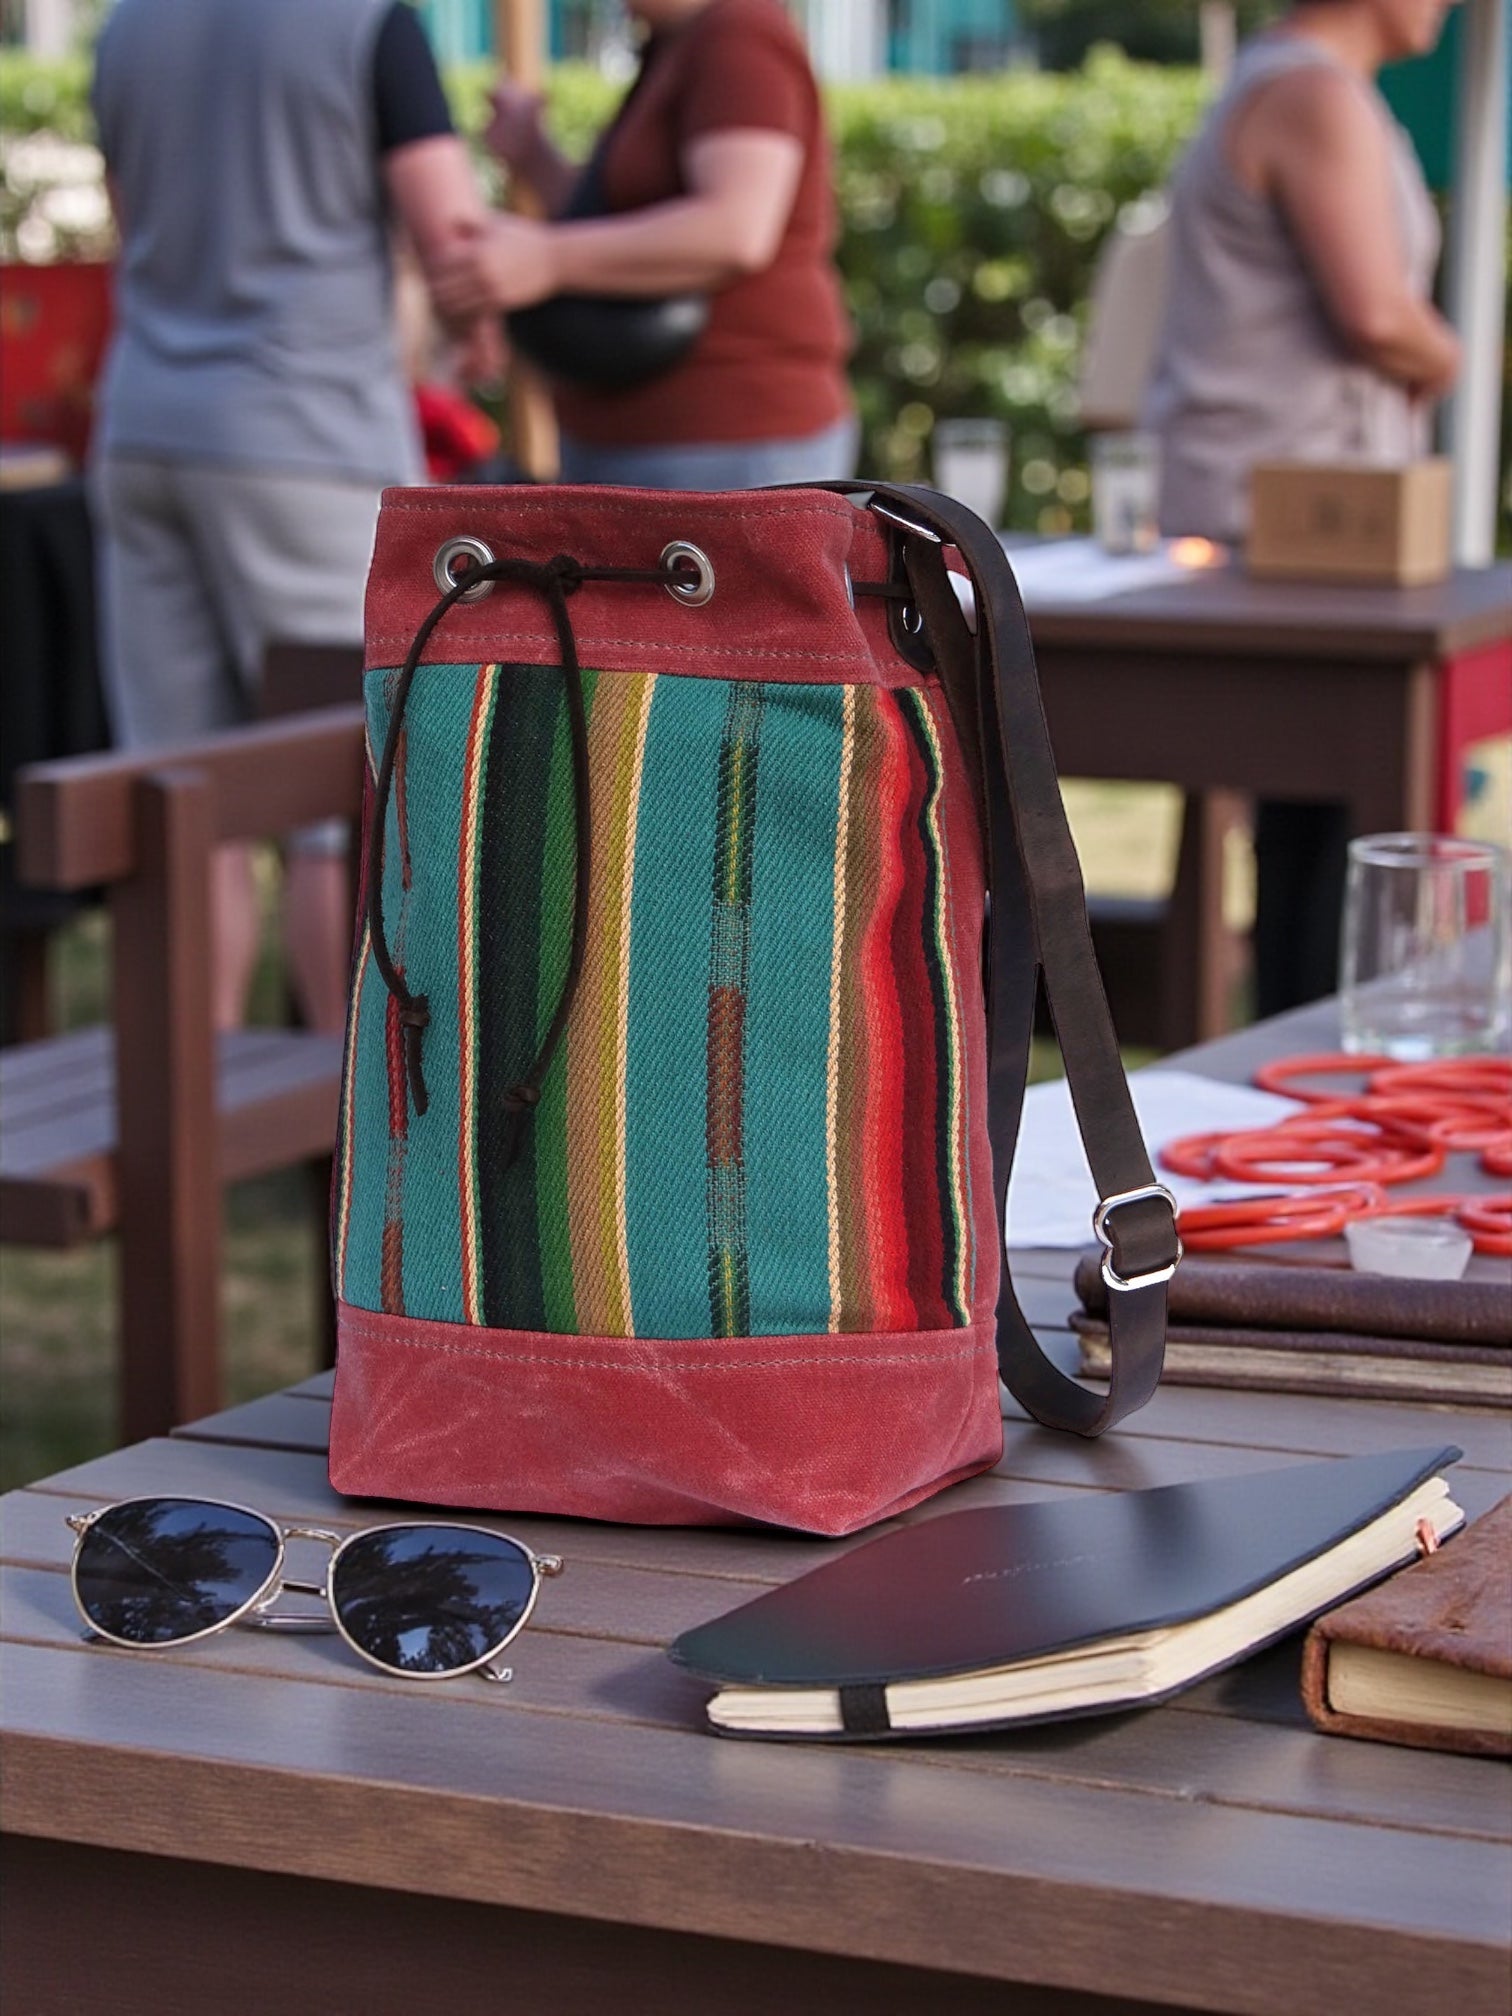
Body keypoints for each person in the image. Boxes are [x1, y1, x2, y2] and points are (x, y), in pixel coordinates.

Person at [90, 0, 495, 1032]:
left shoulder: (129, 25)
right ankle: (343, 1117)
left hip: (145, 426)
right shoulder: (366, 21)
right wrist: (484, 333)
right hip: (307, 439)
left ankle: (191, 1102)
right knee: (337, 808)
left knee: (179, 802)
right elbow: (451, 230)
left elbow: (131, 226)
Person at [1143, 0, 1462, 1015]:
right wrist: (1450, 357)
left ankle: (1291, 1048)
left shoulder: (1300, 85)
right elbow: (1376, 312)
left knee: (1305, 833)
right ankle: (1312, 1061)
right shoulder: (1310, 95)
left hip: (1285, 508)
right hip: (1294, 519)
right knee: (1334, 835)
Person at [431, 0, 857, 490]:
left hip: (724, 436)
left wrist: (549, 258)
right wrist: (534, 156)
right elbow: (621, 221)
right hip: (645, 440)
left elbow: (735, 229)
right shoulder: (676, 43)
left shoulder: (740, 35)